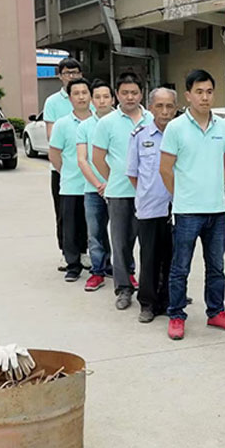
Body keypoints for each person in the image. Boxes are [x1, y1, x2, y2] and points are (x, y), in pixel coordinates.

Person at [160, 69, 225, 340]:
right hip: (187, 212)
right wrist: (182, 195)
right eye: (199, 92)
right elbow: (165, 169)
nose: (204, 97)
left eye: (209, 92)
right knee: (180, 267)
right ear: (188, 95)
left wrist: (211, 189)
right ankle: (176, 314)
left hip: (216, 211)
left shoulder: (223, 128)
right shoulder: (176, 128)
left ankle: (216, 312)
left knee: (216, 266)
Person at [92, 72, 153, 311]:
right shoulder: (107, 123)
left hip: (149, 194)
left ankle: (152, 289)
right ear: (117, 94)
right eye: (125, 93)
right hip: (119, 193)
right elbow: (98, 157)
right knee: (120, 244)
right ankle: (124, 288)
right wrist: (114, 179)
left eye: (134, 92)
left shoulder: (152, 119)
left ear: (141, 94)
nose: (130, 97)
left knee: (150, 244)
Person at [126, 88, 177, 323]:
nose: (165, 111)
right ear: (150, 107)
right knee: (149, 257)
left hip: (178, 206)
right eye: (159, 106)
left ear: (175, 108)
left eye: (169, 106)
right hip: (150, 206)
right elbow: (133, 174)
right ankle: (147, 303)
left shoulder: (181, 134)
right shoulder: (140, 136)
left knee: (173, 257)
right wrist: (148, 193)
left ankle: (169, 299)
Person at [43, 57, 87, 271]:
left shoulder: (88, 98)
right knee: (64, 214)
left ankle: (84, 250)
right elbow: (52, 137)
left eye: (75, 72)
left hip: (88, 171)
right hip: (62, 169)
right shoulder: (53, 102)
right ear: (60, 76)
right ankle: (66, 252)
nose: (71, 76)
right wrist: (65, 168)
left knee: (86, 214)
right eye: (67, 73)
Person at [48, 78, 93, 281]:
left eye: (85, 92)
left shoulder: (100, 122)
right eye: (76, 93)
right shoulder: (62, 124)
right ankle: (72, 265)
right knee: (70, 227)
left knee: (94, 226)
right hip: (71, 185)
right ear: (70, 97)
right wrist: (66, 172)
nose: (81, 97)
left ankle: (96, 260)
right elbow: (54, 154)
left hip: (96, 185)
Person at [77, 79, 115, 291]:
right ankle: (97, 271)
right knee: (95, 233)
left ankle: (125, 272)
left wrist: (112, 183)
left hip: (120, 189)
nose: (102, 101)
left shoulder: (123, 123)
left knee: (122, 234)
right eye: (97, 97)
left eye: (106, 97)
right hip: (94, 189)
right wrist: (100, 184)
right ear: (92, 100)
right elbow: (82, 159)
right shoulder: (84, 126)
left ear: (113, 99)